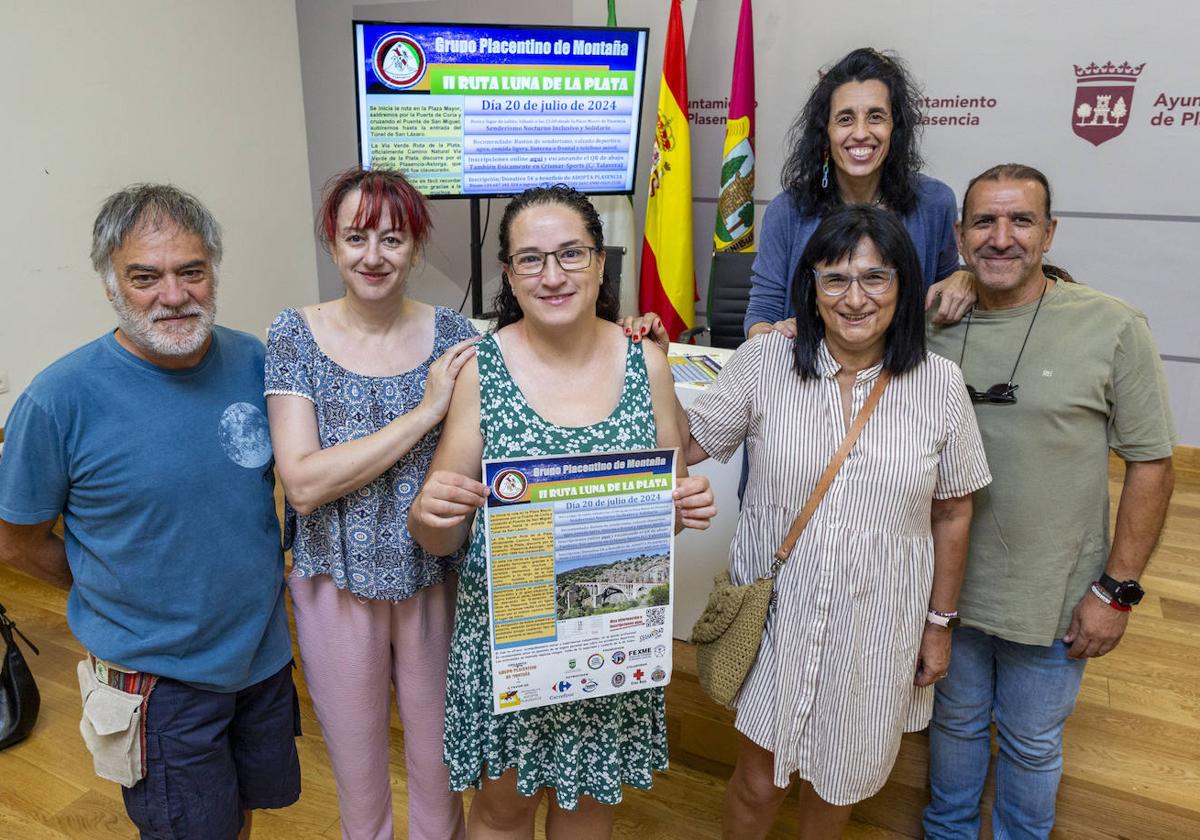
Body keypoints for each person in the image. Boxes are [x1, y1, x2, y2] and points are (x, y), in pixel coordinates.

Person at [407, 185, 716, 839]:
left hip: (609, 640)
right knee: (503, 809)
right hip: (513, 640)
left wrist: (681, 506)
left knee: (588, 805)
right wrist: (432, 514)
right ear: (508, 274)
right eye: (530, 259)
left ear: (602, 263)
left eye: (571, 253)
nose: (552, 275)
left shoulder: (647, 363)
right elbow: (437, 538)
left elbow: (662, 513)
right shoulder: (480, 371)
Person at [0, 184, 299, 839]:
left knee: (238, 816)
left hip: (262, 658)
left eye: (191, 271)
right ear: (111, 283)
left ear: (212, 270)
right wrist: (113, 592)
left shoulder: (255, 360)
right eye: (145, 276)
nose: (173, 294)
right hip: (158, 681)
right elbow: (15, 542)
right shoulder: (58, 400)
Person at [683, 205, 992, 839]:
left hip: (877, 625)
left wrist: (938, 627)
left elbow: (955, 510)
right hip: (777, 620)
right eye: (835, 279)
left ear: (904, 285)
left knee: (839, 784)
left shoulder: (941, 385)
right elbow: (684, 444)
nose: (855, 298)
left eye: (876, 278)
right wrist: (649, 358)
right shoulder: (764, 364)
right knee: (754, 782)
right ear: (811, 289)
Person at [921, 164, 1177, 839]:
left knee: (1031, 744)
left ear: (1049, 233)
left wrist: (1116, 590)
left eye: (1021, 221)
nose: (1001, 238)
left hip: (1055, 596)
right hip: (944, 589)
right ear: (960, 236)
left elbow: (1152, 465)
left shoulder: (1113, 325)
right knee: (954, 723)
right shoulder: (931, 322)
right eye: (984, 222)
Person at [264, 167, 478, 840]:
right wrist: (423, 415)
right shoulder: (294, 334)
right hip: (334, 582)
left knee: (440, 771)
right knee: (358, 778)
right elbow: (301, 482)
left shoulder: (455, 335)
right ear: (333, 244)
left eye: (392, 238)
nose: (373, 256)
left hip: (434, 580)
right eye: (356, 237)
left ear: (415, 246)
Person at [744, 47, 973, 342]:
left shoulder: (934, 203)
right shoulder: (788, 211)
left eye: (876, 116)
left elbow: (944, 294)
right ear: (825, 131)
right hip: (810, 377)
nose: (861, 132)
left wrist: (967, 279)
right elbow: (761, 314)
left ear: (895, 128)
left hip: (904, 377)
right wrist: (774, 334)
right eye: (845, 119)